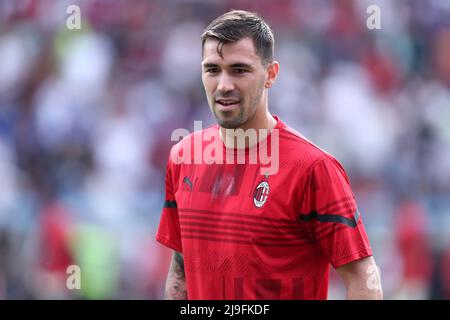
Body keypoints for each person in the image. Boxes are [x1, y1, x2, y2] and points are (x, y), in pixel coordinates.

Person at [156, 10, 383, 300]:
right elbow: (180, 272)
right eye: (212, 69)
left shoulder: (313, 168)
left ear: (271, 74)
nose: (223, 84)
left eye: (239, 70)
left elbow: (364, 278)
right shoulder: (183, 157)